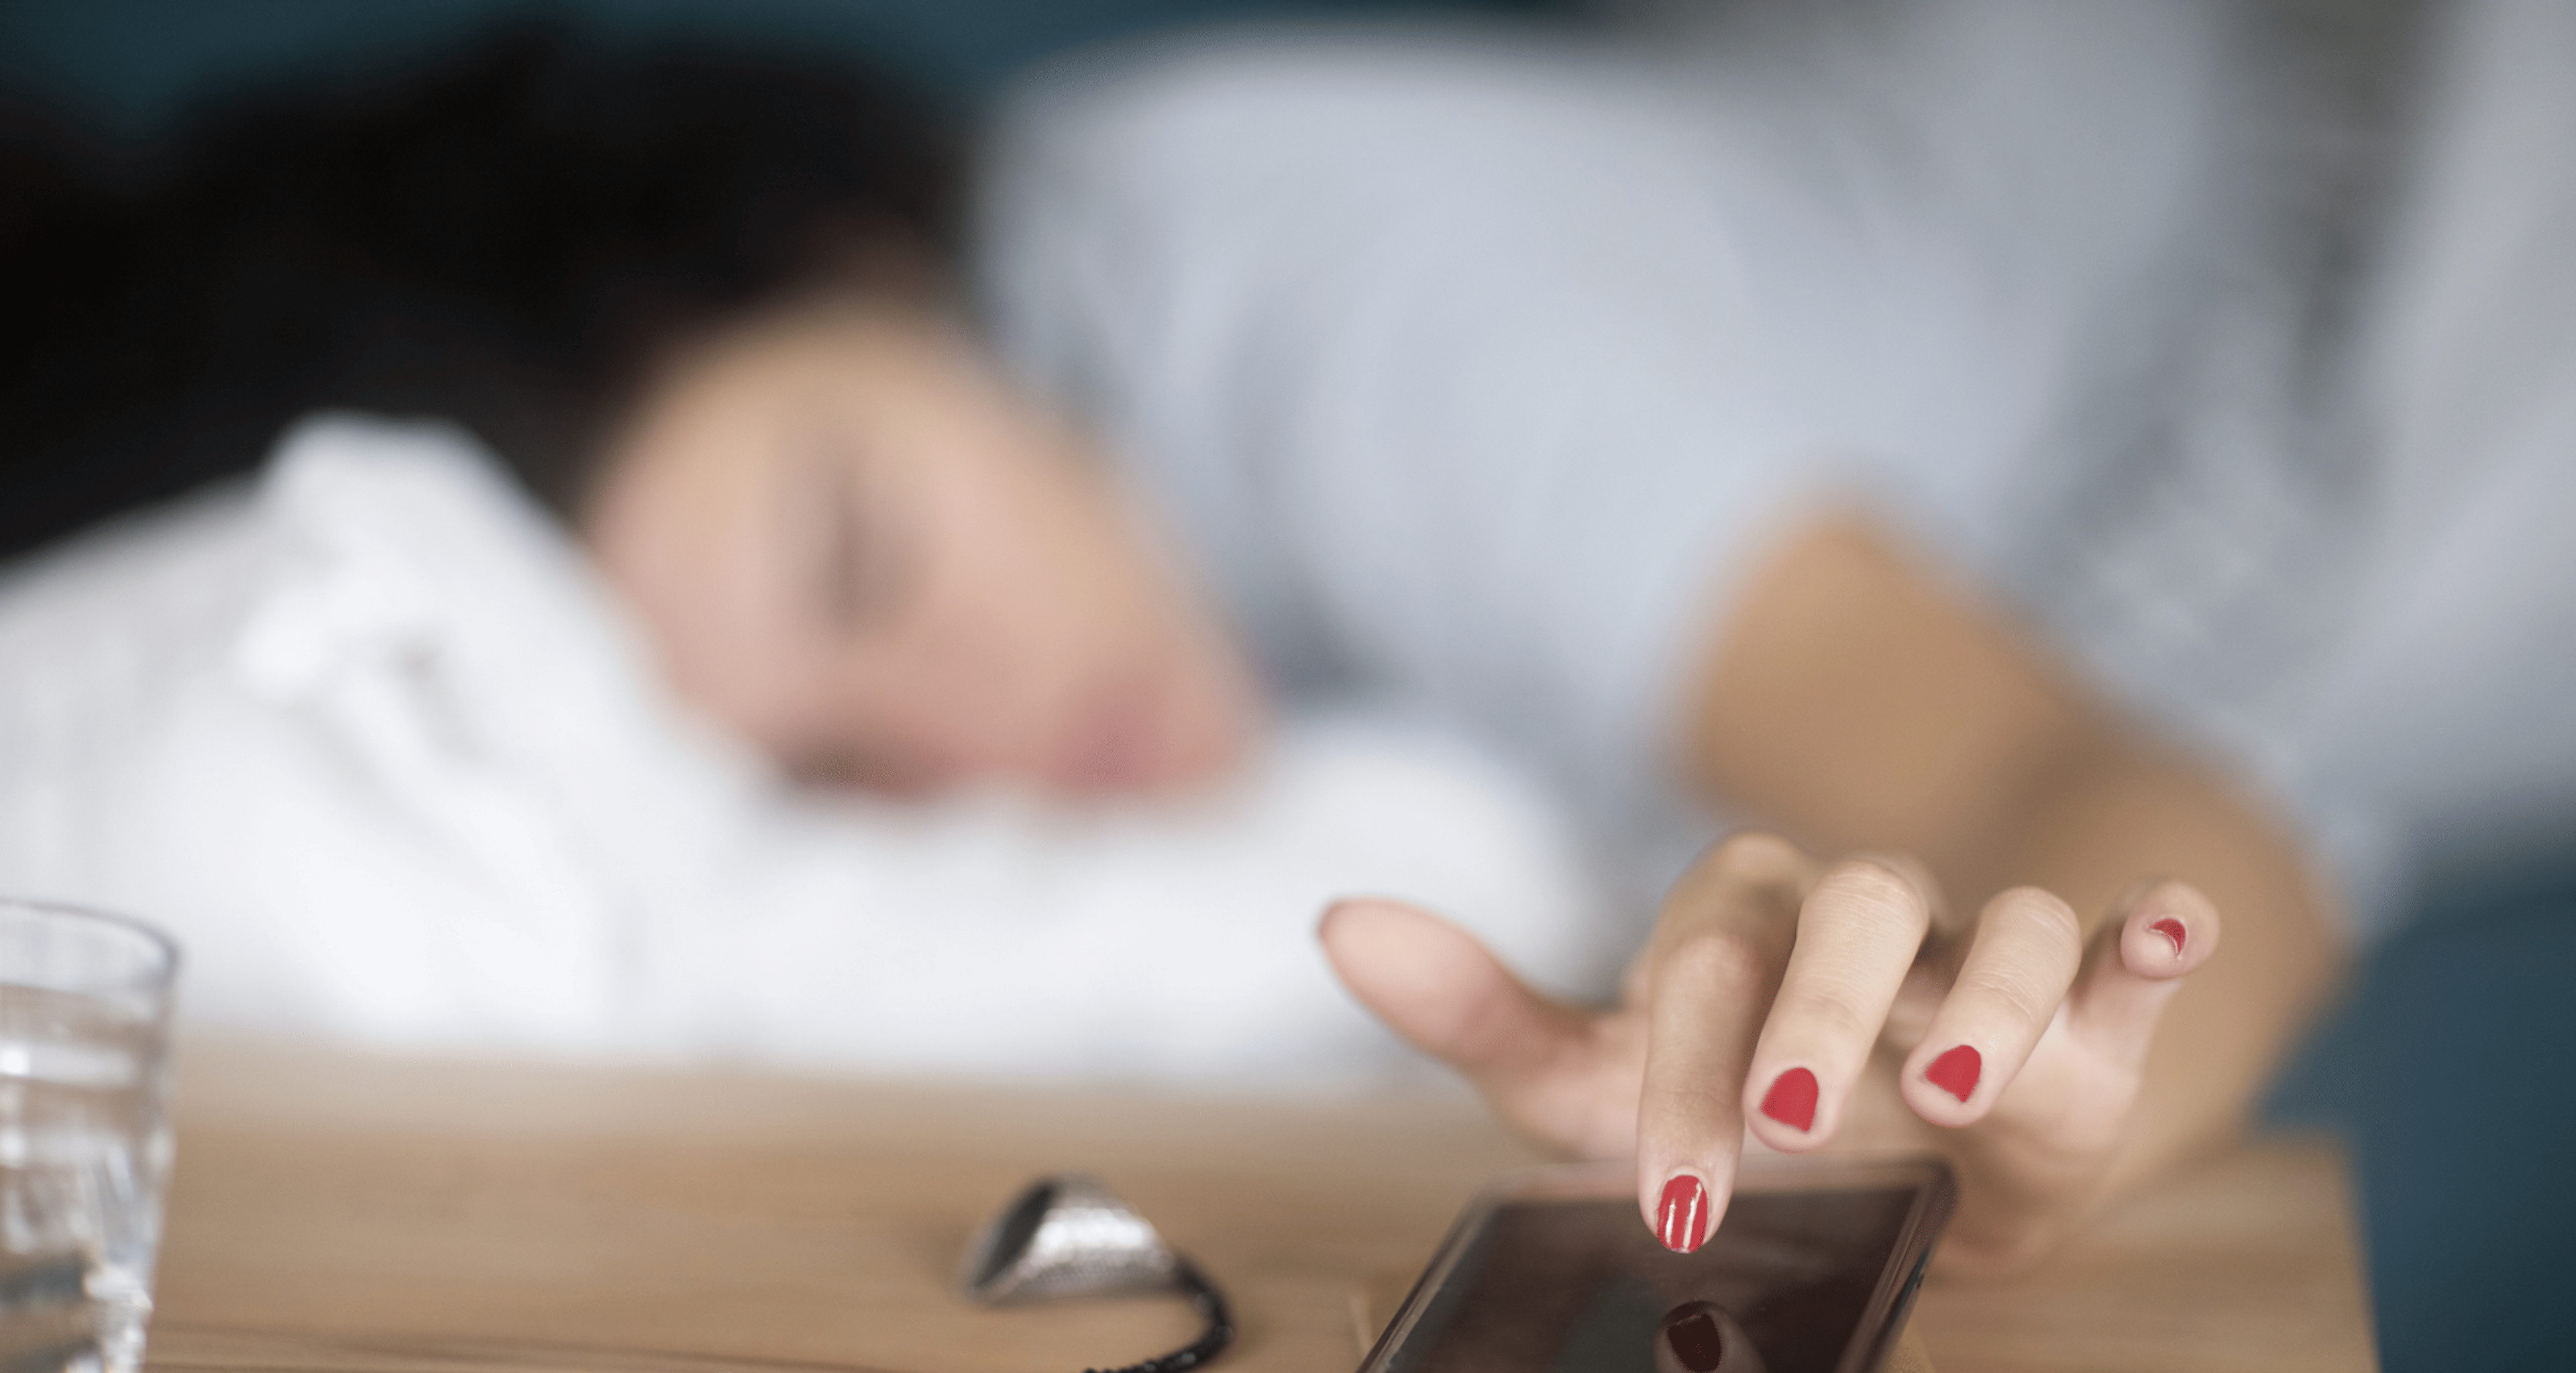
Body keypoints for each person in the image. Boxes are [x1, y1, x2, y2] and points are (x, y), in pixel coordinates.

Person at [9, 0, 2557, 1274]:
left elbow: (2146, 824)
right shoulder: (1232, 782)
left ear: (863, 264)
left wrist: (2017, 1078)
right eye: (829, 775)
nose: (976, 747)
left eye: (868, 558)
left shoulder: (1288, 281)